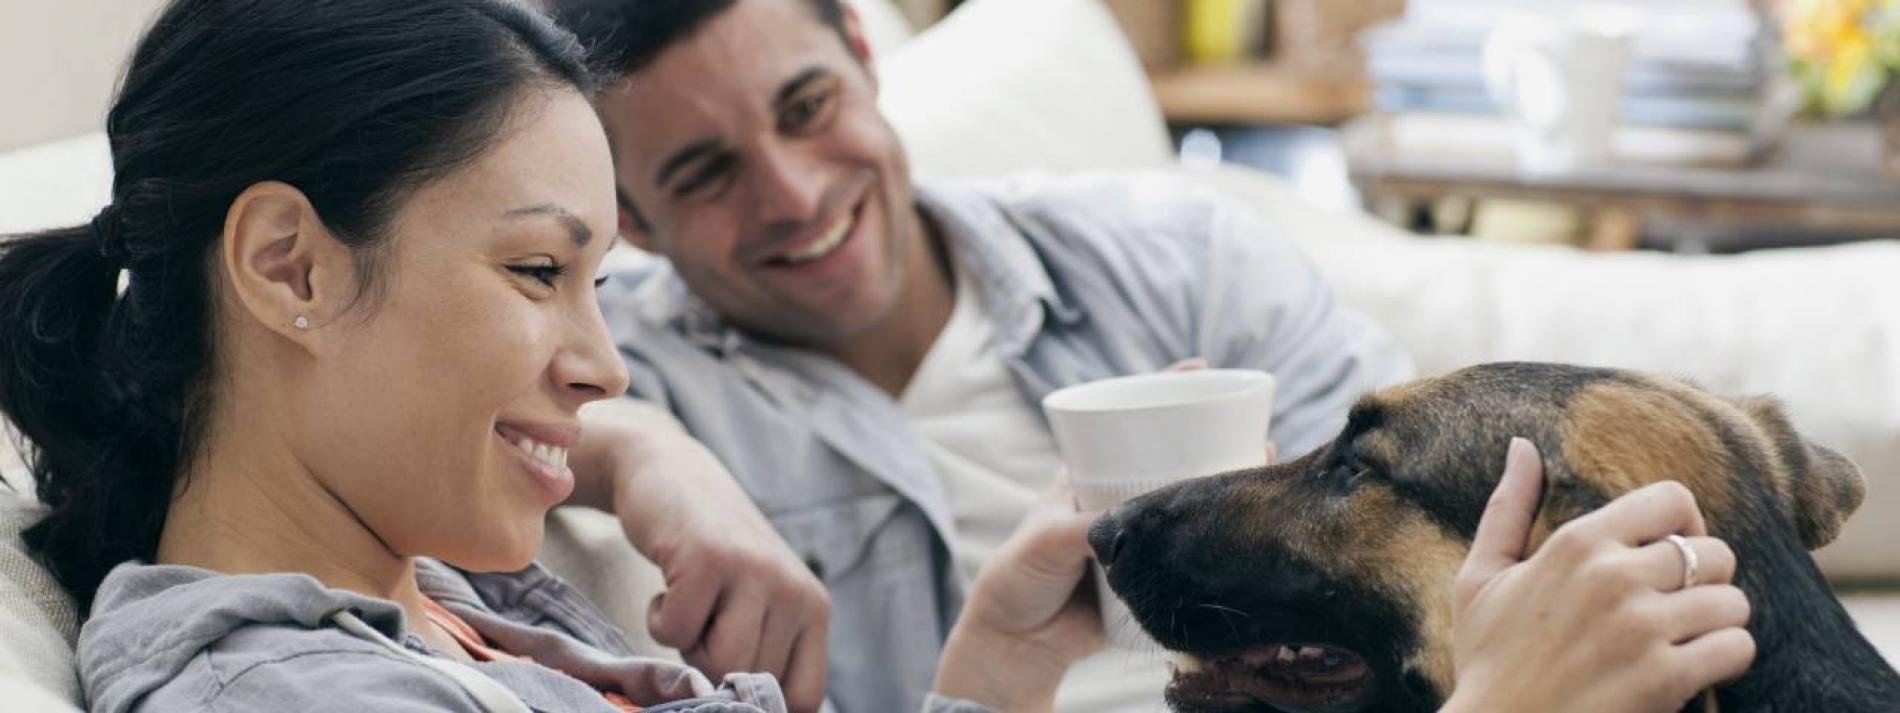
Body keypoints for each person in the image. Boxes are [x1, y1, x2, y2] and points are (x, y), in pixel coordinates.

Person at [534, 1, 1757, 712]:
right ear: (629, 217)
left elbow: (1446, 527)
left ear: (862, 52)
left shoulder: (1180, 258)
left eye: (806, 108)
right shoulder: (631, 371)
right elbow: (407, 414)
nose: (795, 194)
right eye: (704, 175)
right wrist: (642, 448)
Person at [0, 1, 1166, 711]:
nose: (606, 368)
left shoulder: (437, 589)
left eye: (596, 283)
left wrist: (1000, 668)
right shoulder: (280, 692)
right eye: (536, 272)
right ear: (290, 266)